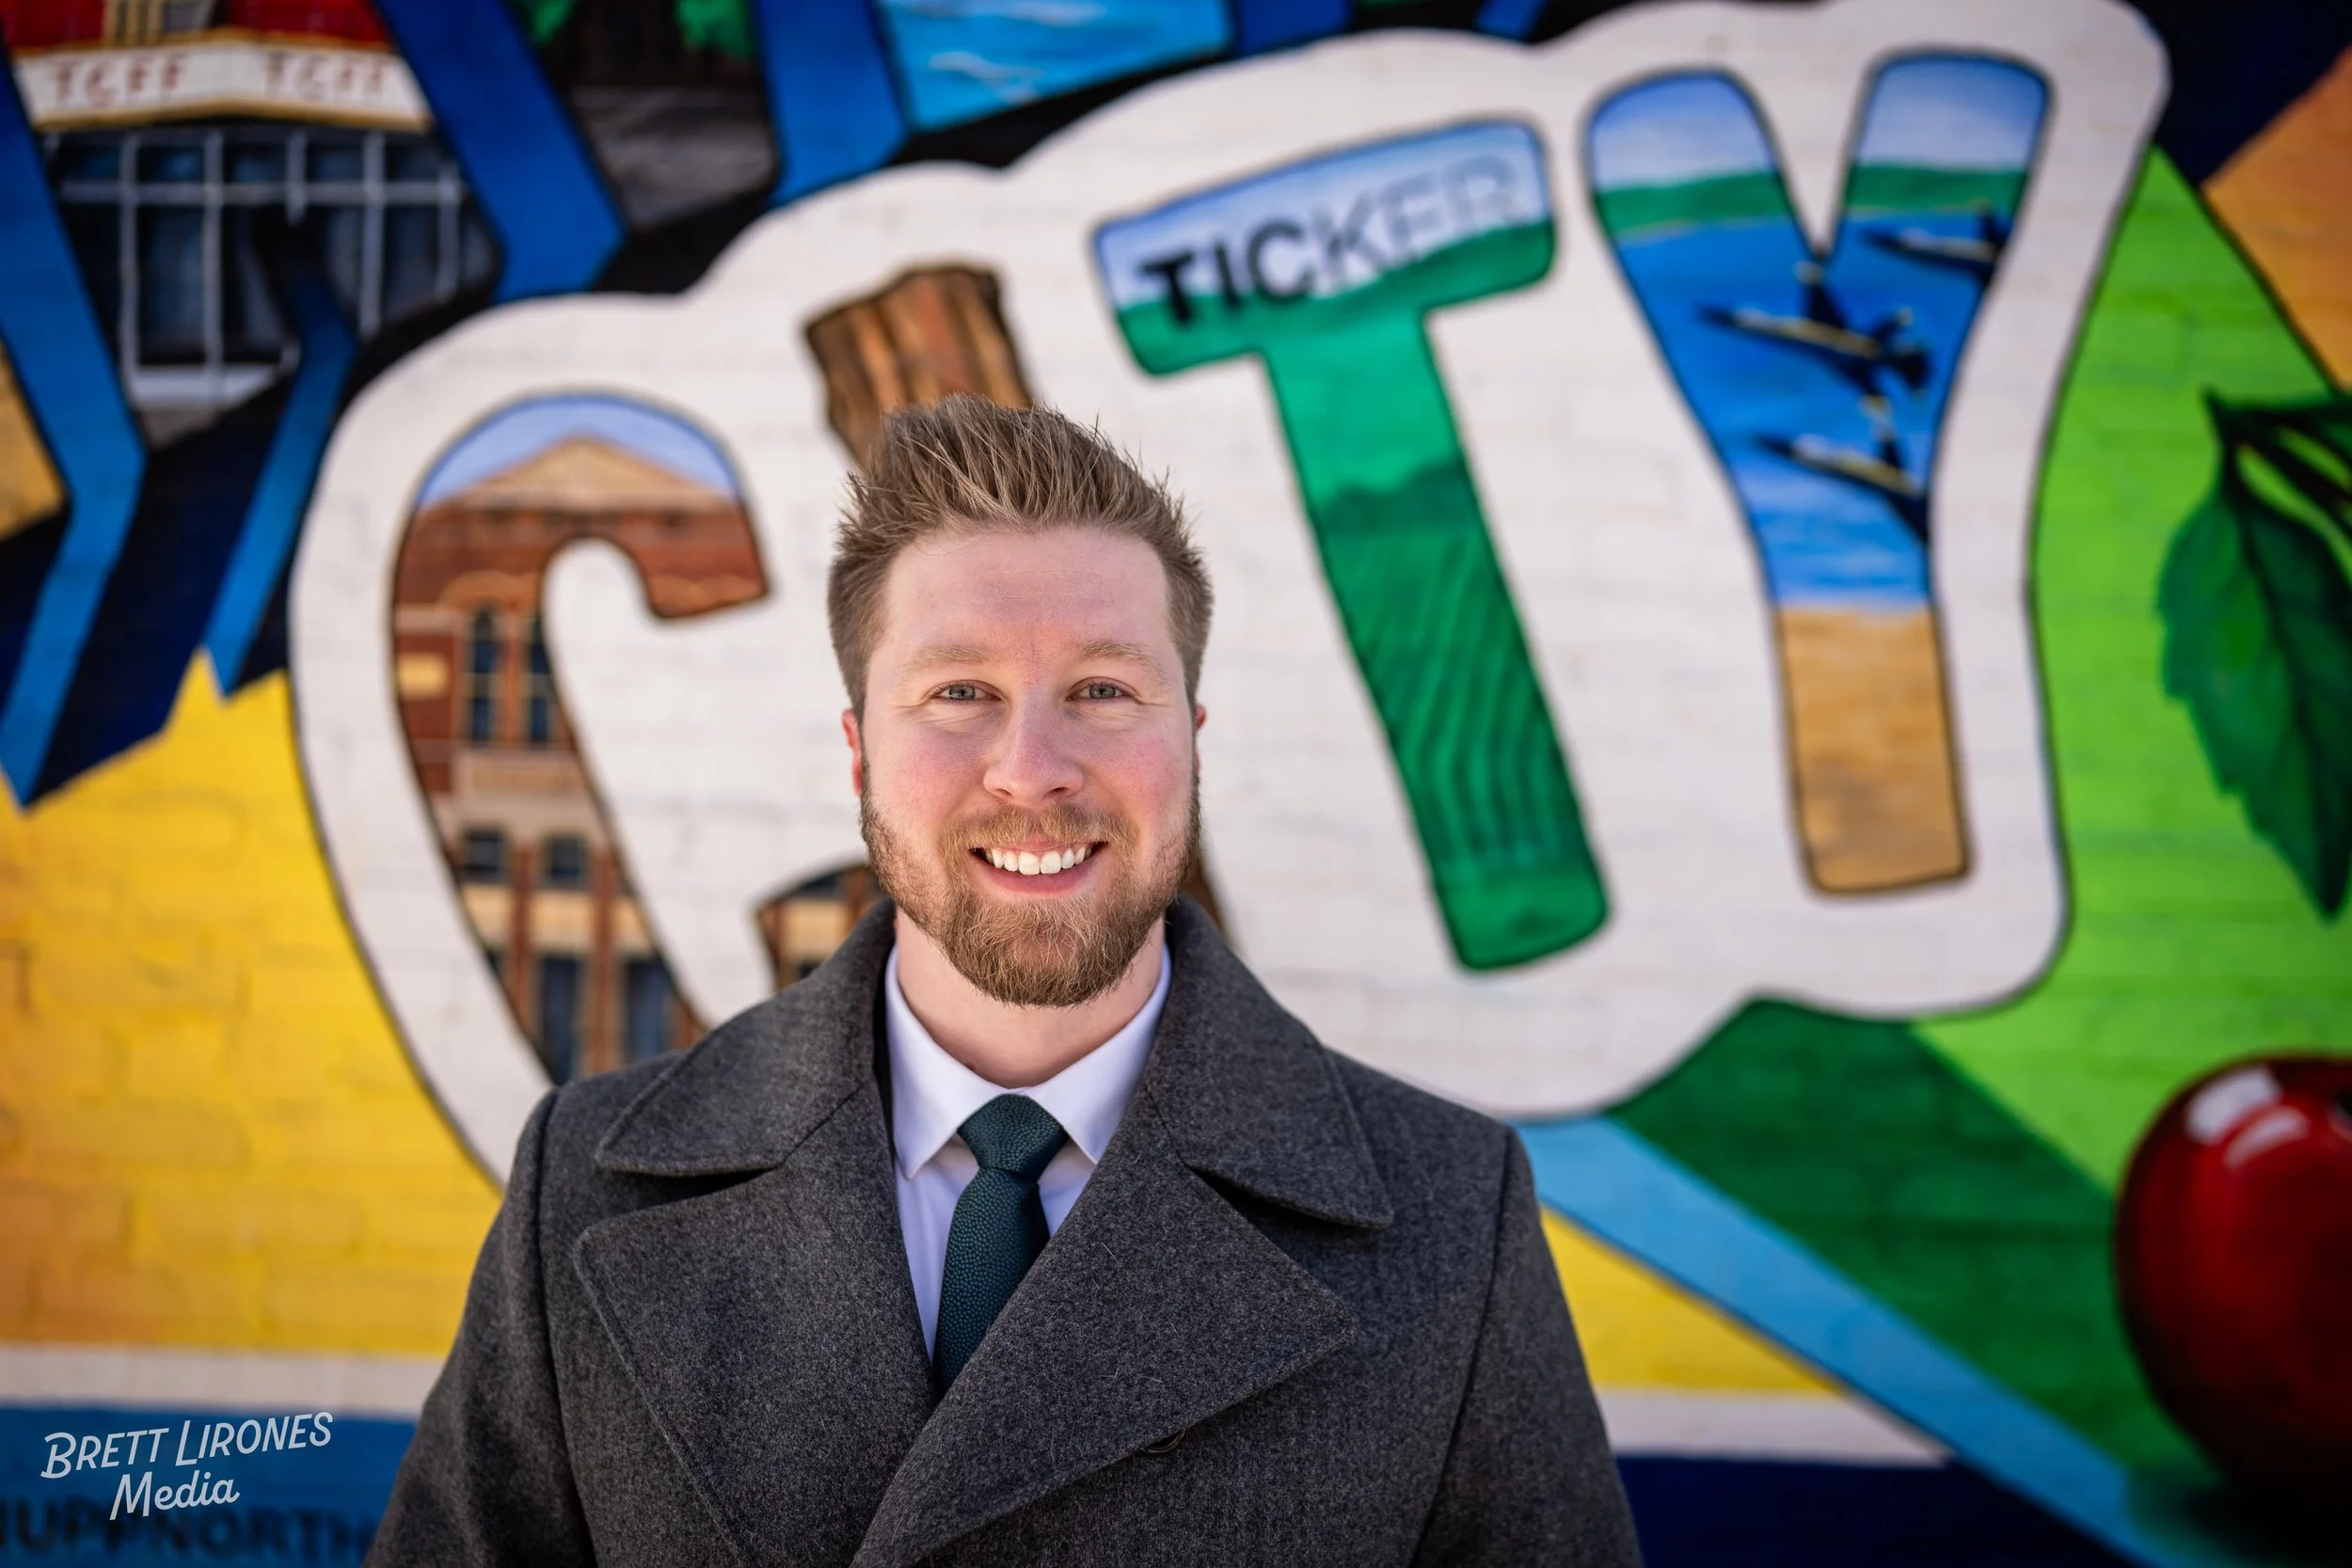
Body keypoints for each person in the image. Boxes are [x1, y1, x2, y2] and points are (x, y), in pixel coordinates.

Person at [369, 396, 1642, 1566]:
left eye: (1103, 689)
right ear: (860, 754)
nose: (1032, 768)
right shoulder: (581, 1188)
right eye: (961, 691)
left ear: (1191, 742)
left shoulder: (1450, 1219)